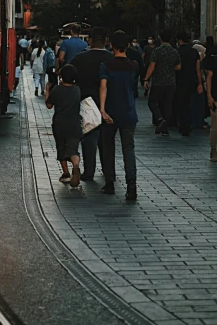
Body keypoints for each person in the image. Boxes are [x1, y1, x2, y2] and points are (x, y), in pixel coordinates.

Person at [99, 31, 139, 199]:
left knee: (108, 147)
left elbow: (103, 87)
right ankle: (131, 186)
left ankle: (109, 183)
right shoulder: (133, 66)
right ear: (127, 46)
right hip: (129, 111)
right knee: (128, 148)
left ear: (111, 46)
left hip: (110, 112)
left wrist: (102, 109)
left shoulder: (106, 65)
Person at [71, 27, 108, 181]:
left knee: (89, 139)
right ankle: (108, 171)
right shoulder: (111, 58)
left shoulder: (80, 58)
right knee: (107, 141)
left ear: (90, 40)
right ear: (106, 41)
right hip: (107, 103)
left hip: (86, 102)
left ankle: (89, 171)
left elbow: (69, 73)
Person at [45, 64, 82, 187]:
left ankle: (66, 173)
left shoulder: (57, 90)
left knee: (61, 148)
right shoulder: (77, 90)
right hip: (75, 124)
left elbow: (49, 105)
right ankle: (76, 166)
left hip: (60, 124)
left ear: (61, 76)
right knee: (73, 150)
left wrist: (47, 91)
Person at [144, 29, 181, 135]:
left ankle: (160, 119)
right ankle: (165, 129)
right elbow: (178, 67)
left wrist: (146, 78)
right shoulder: (175, 51)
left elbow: (152, 66)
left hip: (158, 82)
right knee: (168, 104)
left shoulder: (157, 50)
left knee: (152, 102)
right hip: (171, 82)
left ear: (160, 38)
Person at [175, 32, 203, 136]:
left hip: (180, 80)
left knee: (181, 103)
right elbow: (198, 68)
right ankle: (189, 123)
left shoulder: (177, 51)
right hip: (192, 80)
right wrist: (200, 83)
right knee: (189, 103)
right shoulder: (194, 52)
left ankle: (183, 125)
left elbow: (176, 67)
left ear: (179, 40)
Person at [204, 43, 217, 162]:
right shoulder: (215, 61)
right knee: (216, 127)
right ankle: (213, 150)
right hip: (216, 98)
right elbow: (209, 78)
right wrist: (209, 95)